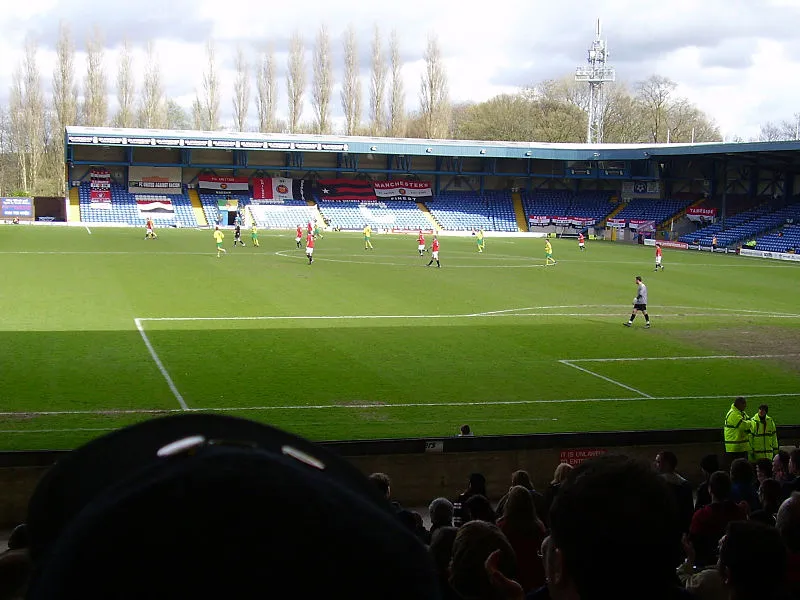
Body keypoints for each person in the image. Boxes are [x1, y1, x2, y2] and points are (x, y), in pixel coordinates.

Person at [724, 397, 750, 467]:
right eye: (744, 404)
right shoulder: (733, 414)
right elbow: (743, 426)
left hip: (741, 447)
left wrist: (749, 424)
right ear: (739, 405)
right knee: (737, 469)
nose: (745, 406)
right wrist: (750, 424)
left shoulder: (741, 413)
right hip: (734, 449)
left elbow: (749, 422)